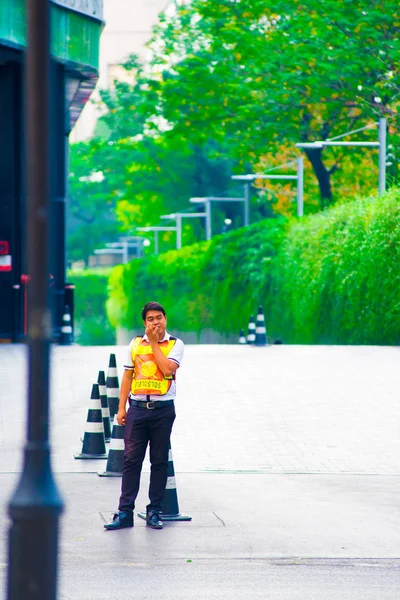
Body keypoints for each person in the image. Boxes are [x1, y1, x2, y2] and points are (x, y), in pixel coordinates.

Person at [104, 301, 184, 531]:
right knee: (131, 461)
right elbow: (127, 377)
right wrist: (121, 408)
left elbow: (168, 369)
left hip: (163, 410)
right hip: (138, 409)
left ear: (165, 319)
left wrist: (156, 344)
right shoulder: (135, 344)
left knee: (159, 461)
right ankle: (124, 512)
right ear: (144, 322)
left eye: (159, 317)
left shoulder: (175, 345)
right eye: (150, 319)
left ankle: (154, 511)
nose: (155, 322)